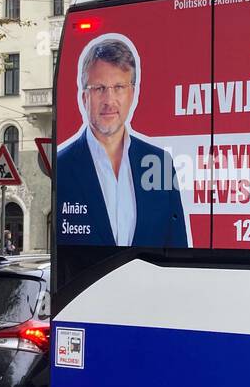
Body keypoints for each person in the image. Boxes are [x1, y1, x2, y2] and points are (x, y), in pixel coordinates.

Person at [56, 36, 188, 248]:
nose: (109, 100)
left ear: (132, 94)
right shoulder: (61, 168)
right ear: (84, 98)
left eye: (118, 87)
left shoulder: (159, 163)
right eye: (99, 88)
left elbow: (177, 249)